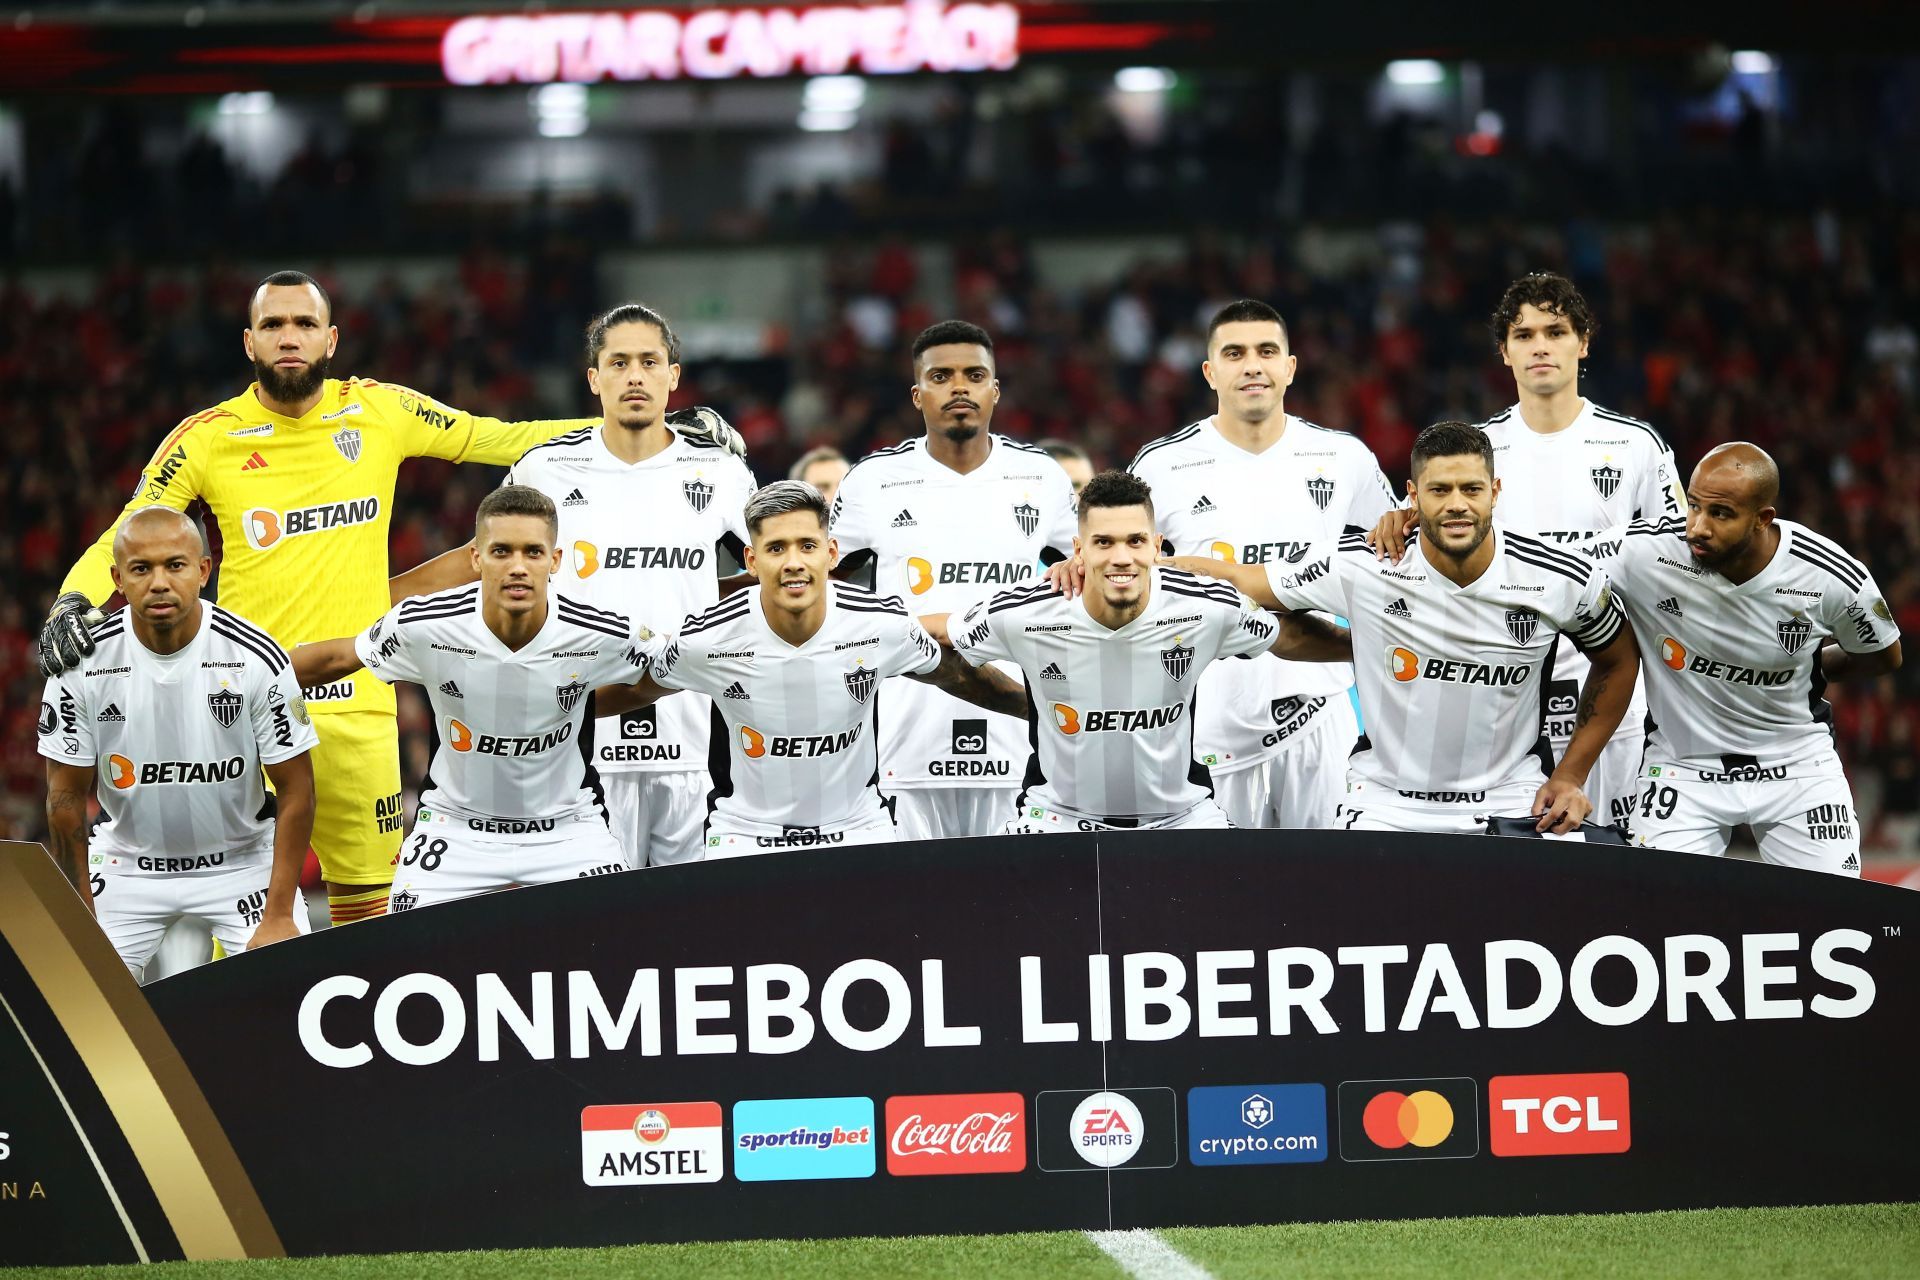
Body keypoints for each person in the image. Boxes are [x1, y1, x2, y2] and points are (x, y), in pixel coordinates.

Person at [35, 271, 740, 927]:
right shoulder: (208, 438)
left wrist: (656, 434)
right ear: (249, 342)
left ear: (330, 339)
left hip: (358, 705)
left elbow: (496, 438)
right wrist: (73, 601)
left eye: (304, 324)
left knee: (367, 915)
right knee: (237, 902)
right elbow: (127, 531)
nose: (289, 337)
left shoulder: (380, 411)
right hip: (239, 702)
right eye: (273, 325)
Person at [383, 303, 755, 870]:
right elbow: (474, 559)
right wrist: (369, 601)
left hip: (694, 742)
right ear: (593, 378)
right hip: (581, 748)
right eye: (619, 362)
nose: (635, 376)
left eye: (650, 362)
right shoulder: (546, 468)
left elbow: (764, 578)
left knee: (691, 931)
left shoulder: (721, 474)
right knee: (596, 932)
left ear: (673, 376)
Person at [1174, 423, 1639, 835]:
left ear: (1495, 492)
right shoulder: (1366, 563)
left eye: (1471, 489)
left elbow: (1618, 659)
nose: (1457, 504)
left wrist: (1570, 776)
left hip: (1509, 798)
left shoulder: (1558, 577)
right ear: (1412, 495)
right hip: (1382, 803)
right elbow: (1242, 580)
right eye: (1440, 491)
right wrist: (1149, 566)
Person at [1370, 272, 1682, 833]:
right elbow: (1409, 541)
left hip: (1612, 699)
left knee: (1625, 873)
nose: (1540, 345)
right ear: (1505, 352)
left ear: (1583, 343)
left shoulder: (1636, 446)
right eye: (1524, 334)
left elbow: (1679, 565)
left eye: (1556, 331)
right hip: (1506, 709)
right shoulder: (1478, 453)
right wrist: (1392, 520)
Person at [601, 481, 1029, 855]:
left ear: (832, 553)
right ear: (751, 560)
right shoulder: (708, 638)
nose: (793, 562)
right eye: (775, 548)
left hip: (858, 831)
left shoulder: (883, 625)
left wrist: (1035, 711)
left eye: (807, 545)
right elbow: (639, 688)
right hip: (746, 836)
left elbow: (957, 675)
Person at [292, 486, 659, 910]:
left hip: (568, 830)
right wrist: (246, 675)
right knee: (406, 955)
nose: (518, 567)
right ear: (476, 558)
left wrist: (586, 701)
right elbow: (340, 656)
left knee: (616, 943)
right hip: (455, 830)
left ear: (554, 561)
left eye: (533, 553)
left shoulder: (598, 632)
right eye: (501, 551)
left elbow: (671, 667)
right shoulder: (423, 625)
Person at [931, 471, 1354, 833]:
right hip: (1057, 819)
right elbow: (936, 635)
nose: (1121, 558)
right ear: (1078, 551)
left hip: (1182, 819)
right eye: (1103, 543)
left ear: (1157, 546)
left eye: (1135, 541)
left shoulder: (1207, 607)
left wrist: (1365, 650)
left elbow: (1288, 637)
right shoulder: (1027, 611)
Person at [1128, 299, 1398, 829]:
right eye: (1234, 353)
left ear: (1290, 367)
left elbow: (1397, 561)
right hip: (1206, 723)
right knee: (1222, 899)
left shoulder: (1343, 459)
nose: (1252, 364)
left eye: (1266, 351)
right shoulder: (1162, 466)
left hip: (1322, 718)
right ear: (1210, 372)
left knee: (1327, 889)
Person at [1589, 443, 1902, 874]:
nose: (1697, 527)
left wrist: (1814, 664)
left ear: (1762, 519)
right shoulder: (1643, 551)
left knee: (1833, 915)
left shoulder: (1827, 575)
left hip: (1797, 768)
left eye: (1720, 514)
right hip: (1683, 768)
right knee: (1657, 917)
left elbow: (1882, 655)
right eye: (1693, 505)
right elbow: (1550, 569)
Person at [39, 508, 315, 979]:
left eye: (176, 565)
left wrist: (280, 914)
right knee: (78, 1001)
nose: (160, 583)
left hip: (242, 861)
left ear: (204, 571)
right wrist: (81, 918)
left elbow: (297, 791)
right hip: (128, 865)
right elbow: (64, 803)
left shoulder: (254, 656)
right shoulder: (81, 665)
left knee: (292, 990)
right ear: (117, 580)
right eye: (141, 569)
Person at [827, 321, 1078, 839]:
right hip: (906, 743)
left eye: (974, 375)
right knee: (917, 910)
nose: (959, 387)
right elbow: (822, 587)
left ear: (995, 390)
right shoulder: (873, 480)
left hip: (1022, 739)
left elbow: (1094, 575)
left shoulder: (1042, 477)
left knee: (1014, 907)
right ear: (918, 395)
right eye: (941, 376)